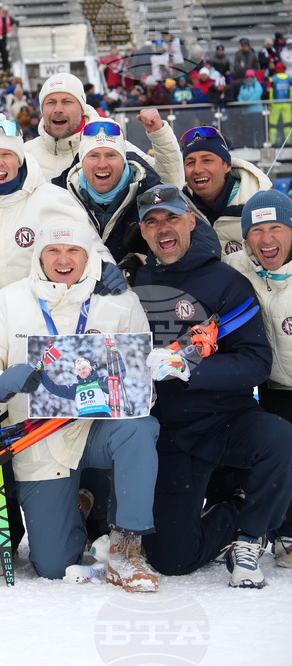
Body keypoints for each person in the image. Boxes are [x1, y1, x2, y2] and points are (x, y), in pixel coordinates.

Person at [0, 215, 161, 591]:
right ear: (38, 256)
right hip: (38, 438)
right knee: (53, 566)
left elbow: (142, 376)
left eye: (73, 250)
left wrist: (136, 384)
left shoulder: (119, 301)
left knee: (140, 428)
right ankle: (78, 507)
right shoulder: (10, 300)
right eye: (53, 250)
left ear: (88, 257)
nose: (63, 258)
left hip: (97, 430)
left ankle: (126, 547)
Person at [131, 184, 292, 588]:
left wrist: (191, 369)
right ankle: (233, 506)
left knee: (280, 438)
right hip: (171, 435)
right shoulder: (130, 282)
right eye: (152, 222)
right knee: (172, 559)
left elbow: (256, 361)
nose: (163, 228)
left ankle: (251, 533)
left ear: (190, 220)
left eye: (171, 217)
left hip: (225, 419)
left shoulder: (226, 281)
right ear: (142, 230)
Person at [221, 190, 292, 564]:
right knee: (278, 449)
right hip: (273, 385)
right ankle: (284, 530)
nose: (267, 239)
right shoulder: (238, 266)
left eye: (277, 228)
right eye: (257, 230)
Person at [0, 114, 100, 295]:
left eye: (7, 154)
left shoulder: (52, 199)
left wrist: (102, 269)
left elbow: (92, 248)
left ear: (19, 160)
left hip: (39, 312)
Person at [24, 73, 183, 185]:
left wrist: (160, 135)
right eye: (50, 102)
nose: (58, 109)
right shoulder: (26, 155)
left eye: (67, 101)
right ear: (41, 109)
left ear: (81, 108)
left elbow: (169, 183)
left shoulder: (108, 143)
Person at [56, 118, 161, 261]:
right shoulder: (60, 196)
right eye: (93, 156)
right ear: (82, 161)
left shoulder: (149, 193)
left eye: (111, 155)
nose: (102, 164)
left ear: (123, 160)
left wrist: (142, 261)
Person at [179, 127, 271, 256]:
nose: (197, 169)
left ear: (227, 166)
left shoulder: (260, 203)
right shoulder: (180, 206)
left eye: (207, 160)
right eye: (190, 162)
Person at [39, 356, 121, 417]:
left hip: (101, 416)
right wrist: (41, 372)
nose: (82, 371)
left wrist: (117, 358)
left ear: (90, 369)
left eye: (84, 368)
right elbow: (54, 388)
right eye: (79, 369)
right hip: (84, 419)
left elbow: (118, 379)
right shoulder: (75, 388)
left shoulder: (100, 381)